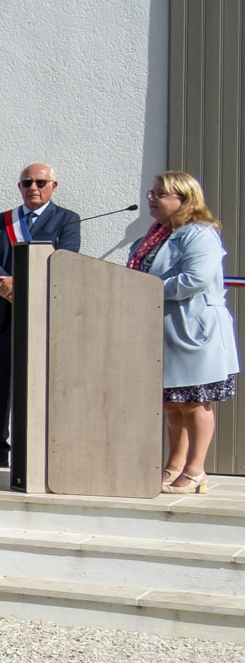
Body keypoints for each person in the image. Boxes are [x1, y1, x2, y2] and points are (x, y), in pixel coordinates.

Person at [130, 171, 239, 495]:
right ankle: (174, 463)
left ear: (183, 198)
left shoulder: (199, 233)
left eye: (160, 194)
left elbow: (196, 278)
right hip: (161, 330)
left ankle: (196, 470)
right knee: (171, 404)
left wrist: (148, 289)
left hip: (194, 329)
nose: (152, 198)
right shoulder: (154, 236)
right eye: (152, 192)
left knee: (195, 403)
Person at [0, 163, 81, 469]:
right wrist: (1, 283)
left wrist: (22, 282)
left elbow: (66, 259)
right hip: (2, 314)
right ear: (19, 186)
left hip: (43, 314)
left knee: (41, 382)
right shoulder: (1, 221)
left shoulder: (67, 220)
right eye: (27, 182)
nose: (34, 187)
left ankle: (38, 447)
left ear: (53, 186)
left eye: (41, 182)